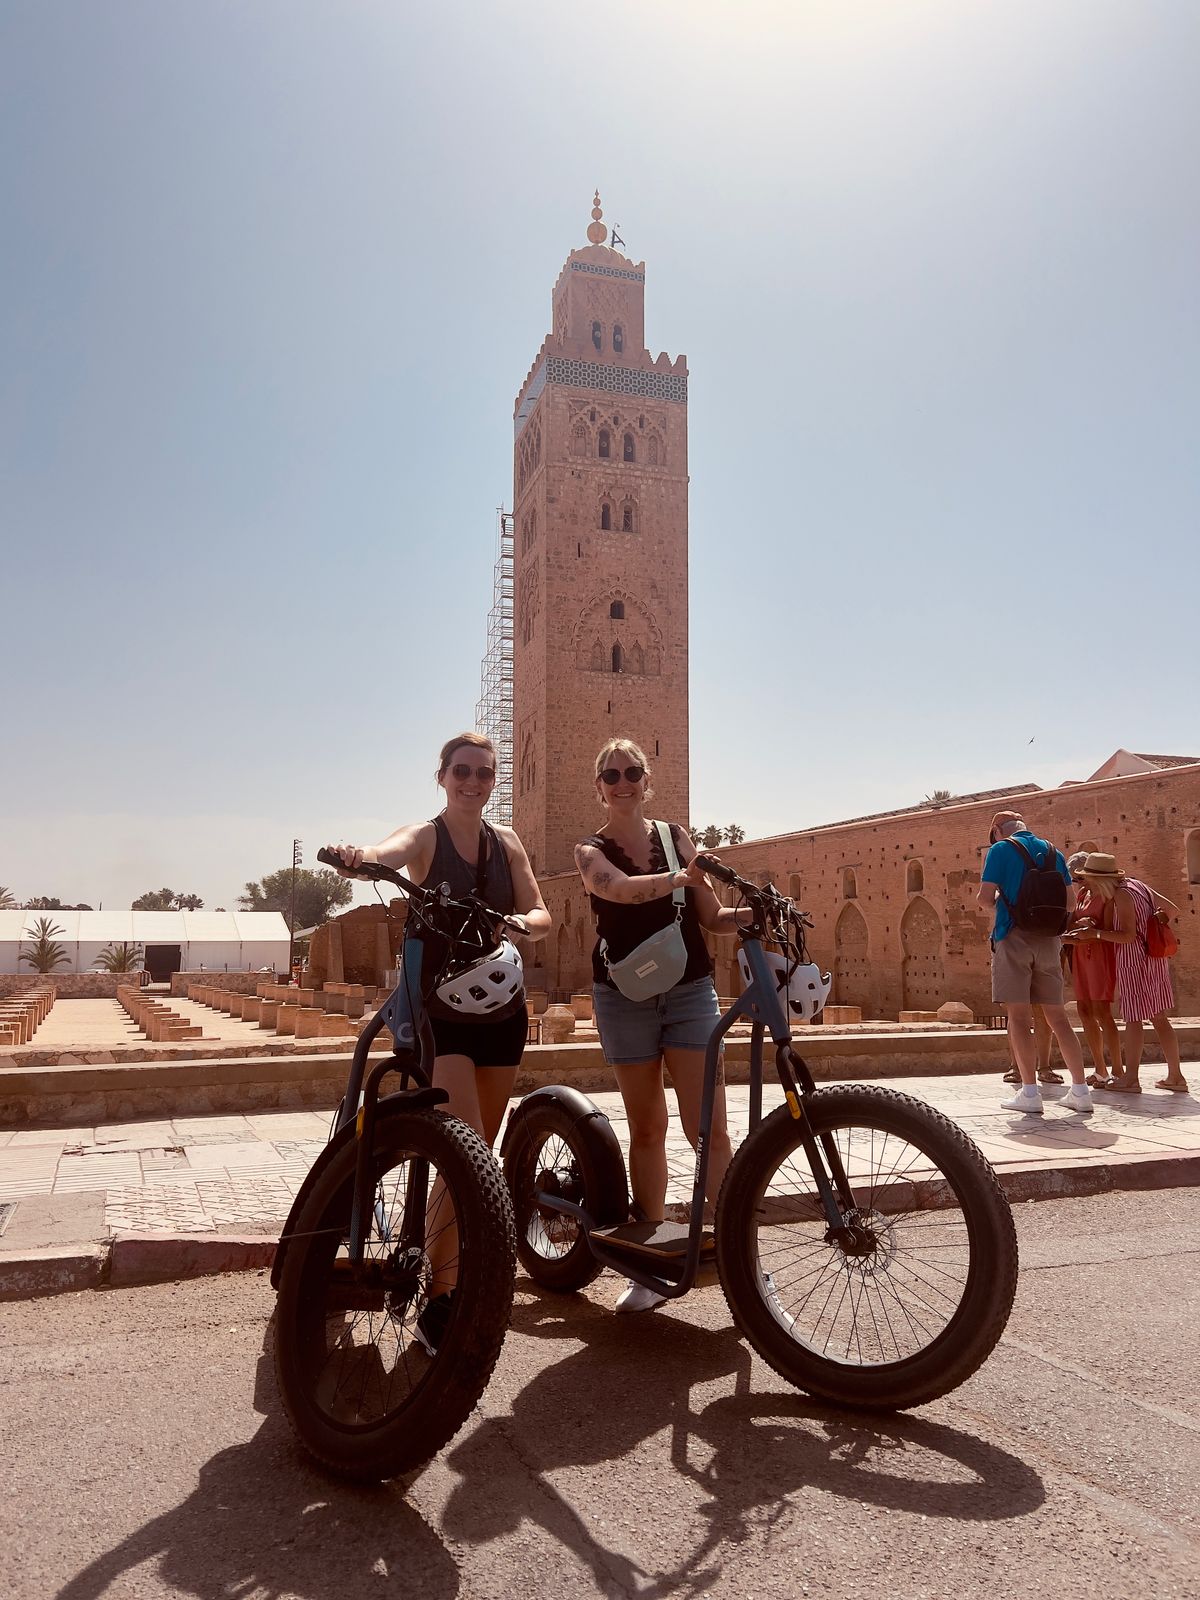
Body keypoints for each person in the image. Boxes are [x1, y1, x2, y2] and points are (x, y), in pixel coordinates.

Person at [325, 730, 551, 1350]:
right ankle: (444, 1298)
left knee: (476, 1155)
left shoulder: (507, 844)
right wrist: (359, 856)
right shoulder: (428, 837)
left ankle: (441, 1271)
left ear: (493, 780)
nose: (472, 782)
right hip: (444, 1014)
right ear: (443, 777)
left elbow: (541, 912)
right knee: (465, 1151)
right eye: (462, 771)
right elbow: (390, 850)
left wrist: (520, 922)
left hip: (501, 1008)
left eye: (484, 773)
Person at [574, 737, 756, 1314]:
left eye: (632, 773)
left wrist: (756, 911)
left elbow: (712, 917)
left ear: (646, 780)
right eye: (611, 775)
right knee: (648, 1128)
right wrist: (680, 879)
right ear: (599, 786)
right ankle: (649, 1261)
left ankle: (740, 1259)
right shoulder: (589, 851)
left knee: (711, 1130)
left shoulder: (677, 839)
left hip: (689, 992)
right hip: (623, 998)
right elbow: (619, 891)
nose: (622, 783)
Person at [977, 811, 1092, 1115]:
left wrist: (1007, 906)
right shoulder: (1054, 852)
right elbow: (1070, 903)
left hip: (1013, 936)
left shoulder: (1000, 850)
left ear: (997, 831)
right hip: (1049, 941)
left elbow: (984, 898)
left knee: (1018, 1017)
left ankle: (1029, 1092)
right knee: (1058, 1018)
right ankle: (1081, 1092)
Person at [1068, 853, 1187, 1095]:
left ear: (1100, 879)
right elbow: (1172, 910)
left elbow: (1128, 936)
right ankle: (1176, 1076)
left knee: (1133, 1017)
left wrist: (1094, 934)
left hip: (1134, 960)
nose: (1086, 884)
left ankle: (1130, 1078)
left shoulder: (1122, 894)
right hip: (1155, 958)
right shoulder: (1138, 885)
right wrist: (1151, 923)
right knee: (1159, 1017)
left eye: (1088, 879)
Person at [1063, 850, 1123, 1089]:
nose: (1078, 882)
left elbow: (1108, 931)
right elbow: (1072, 922)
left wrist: (1090, 930)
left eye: (1080, 877)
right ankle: (1100, 1069)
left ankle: (1117, 1069)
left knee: (1102, 1011)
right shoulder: (1082, 895)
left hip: (1099, 956)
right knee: (1084, 1009)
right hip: (1080, 955)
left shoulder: (1109, 898)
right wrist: (1074, 930)